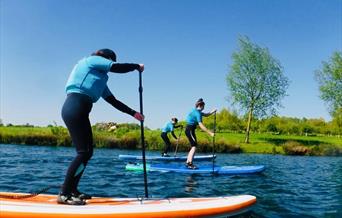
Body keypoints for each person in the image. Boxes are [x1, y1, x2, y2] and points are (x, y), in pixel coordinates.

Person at [58, 49, 144, 205]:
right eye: (110, 62)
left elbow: (113, 101)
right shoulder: (91, 60)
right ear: (106, 59)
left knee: (87, 152)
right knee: (83, 152)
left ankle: (73, 190)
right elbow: (117, 67)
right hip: (74, 106)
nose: (109, 65)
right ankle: (64, 194)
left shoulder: (99, 80)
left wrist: (133, 113)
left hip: (81, 109)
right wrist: (136, 66)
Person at [185, 98, 216, 169]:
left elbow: (206, 114)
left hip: (190, 130)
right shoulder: (197, 113)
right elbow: (201, 125)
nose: (204, 108)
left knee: (194, 146)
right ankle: (189, 164)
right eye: (204, 106)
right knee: (194, 146)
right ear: (200, 105)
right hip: (190, 130)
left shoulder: (196, 111)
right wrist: (210, 133)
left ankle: (188, 162)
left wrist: (212, 111)